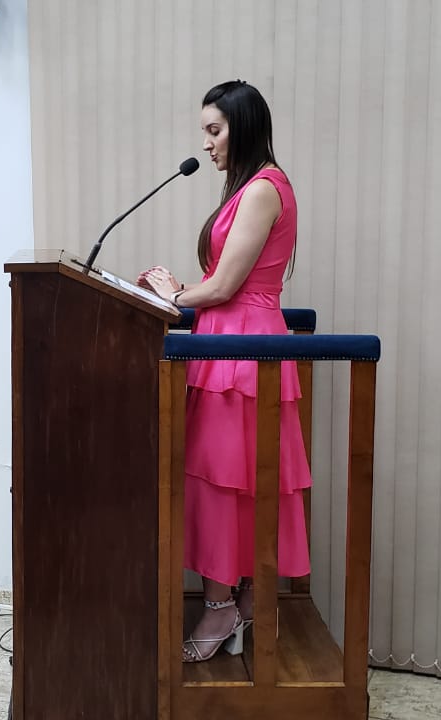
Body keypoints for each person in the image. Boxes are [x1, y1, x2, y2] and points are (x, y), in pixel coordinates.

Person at [140, 80, 312, 663]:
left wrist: (173, 293)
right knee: (223, 479)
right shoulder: (250, 187)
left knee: (231, 481)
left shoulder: (263, 188)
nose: (206, 143)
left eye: (214, 130)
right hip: (226, 341)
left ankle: (226, 607)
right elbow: (221, 288)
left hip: (243, 347)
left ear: (244, 126)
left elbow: (224, 287)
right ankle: (238, 604)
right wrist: (179, 293)